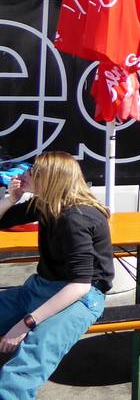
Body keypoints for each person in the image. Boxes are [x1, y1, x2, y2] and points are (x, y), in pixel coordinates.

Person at [0, 151, 113, 397]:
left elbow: (80, 285)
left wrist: (25, 324)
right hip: (40, 288)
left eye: (32, 171)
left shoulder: (76, 217)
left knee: (18, 374)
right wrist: (10, 199)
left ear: (49, 179)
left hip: (79, 299)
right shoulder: (48, 203)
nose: (24, 173)